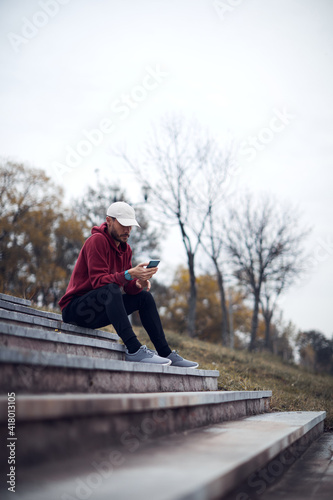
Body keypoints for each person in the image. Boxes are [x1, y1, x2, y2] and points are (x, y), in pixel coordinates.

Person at [59, 201, 198, 368]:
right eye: (124, 224)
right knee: (110, 289)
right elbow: (98, 282)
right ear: (109, 220)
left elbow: (125, 287)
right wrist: (128, 274)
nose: (128, 230)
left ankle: (165, 352)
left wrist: (137, 283)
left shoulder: (126, 249)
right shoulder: (96, 241)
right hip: (76, 310)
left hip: (98, 312)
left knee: (144, 298)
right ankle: (134, 349)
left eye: (131, 225)